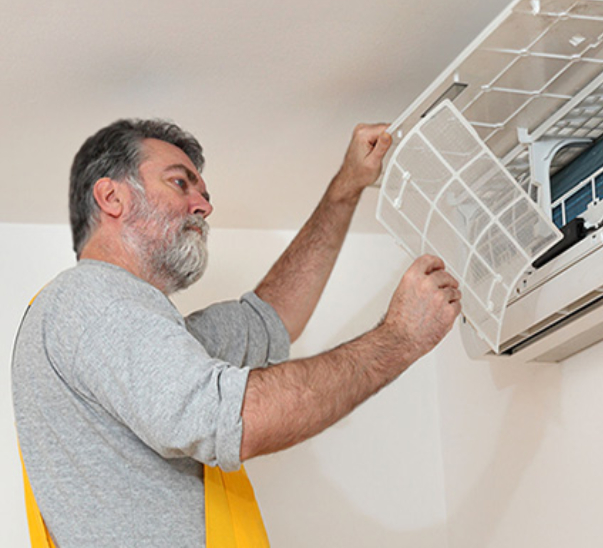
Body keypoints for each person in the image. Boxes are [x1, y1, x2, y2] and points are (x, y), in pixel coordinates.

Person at [11, 119, 461, 547]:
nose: (204, 206)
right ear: (112, 197)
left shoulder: (135, 333)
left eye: (203, 194)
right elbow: (227, 418)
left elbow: (270, 319)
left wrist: (346, 188)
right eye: (180, 182)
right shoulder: (92, 298)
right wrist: (399, 338)